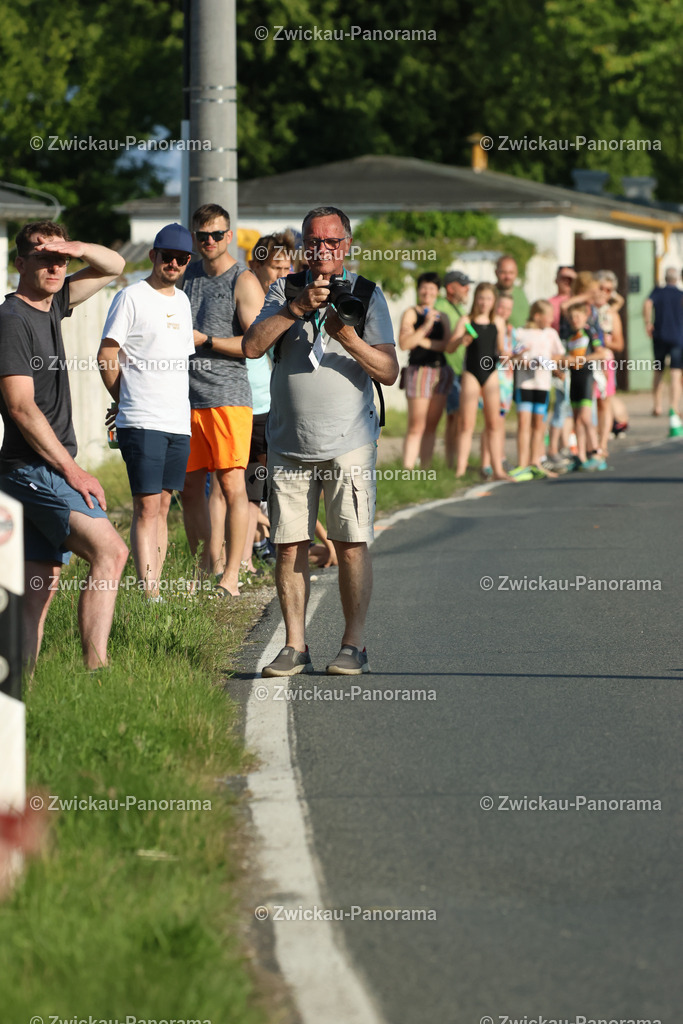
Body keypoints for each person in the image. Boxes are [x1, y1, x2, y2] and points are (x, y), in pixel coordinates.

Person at [242, 205, 398, 676]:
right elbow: (252, 346)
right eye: (314, 241)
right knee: (289, 543)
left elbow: (389, 371)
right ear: (303, 245)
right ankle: (295, 645)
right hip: (289, 440)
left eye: (332, 241)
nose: (323, 249)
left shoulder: (368, 295)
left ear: (347, 245)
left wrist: (348, 338)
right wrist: (296, 309)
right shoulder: (282, 288)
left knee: (350, 541)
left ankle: (354, 645)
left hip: (349, 439)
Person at [0, 221, 128, 672]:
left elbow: (114, 265)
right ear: (19, 264)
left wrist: (70, 246)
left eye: (61, 260)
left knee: (41, 583)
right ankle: (97, 671)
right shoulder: (12, 320)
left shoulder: (52, 304)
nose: (55, 266)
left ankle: (19, 689)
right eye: (42, 256)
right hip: (33, 467)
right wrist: (74, 471)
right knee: (111, 551)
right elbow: (20, 407)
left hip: (39, 467)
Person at [98, 223, 195, 600]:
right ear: (153, 255)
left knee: (165, 504)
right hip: (141, 419)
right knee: (146, 505)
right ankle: (149, 594)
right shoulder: (131, 297)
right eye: (166, 255)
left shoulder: (183, 302)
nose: (173, 263)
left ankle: (157, 590)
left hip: (177, 419)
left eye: (181, 258)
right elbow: (106, 355)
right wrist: (125, 400)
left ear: (188, 262)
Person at [181, 204, 265, 597]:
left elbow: (256, 344)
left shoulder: (243, 280)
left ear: (229, 236)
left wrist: (208, 341)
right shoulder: (186, 274)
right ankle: (204, 568)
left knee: (232, 485)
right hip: (185, 396)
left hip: (228, 397)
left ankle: (232, 574)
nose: (209, 242)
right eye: (202, 236)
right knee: (190, 487)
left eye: (216, 235)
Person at [451, 283, 509, 480]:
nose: (484, 303)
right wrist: (461, 340)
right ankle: (460, 469)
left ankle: (498, 469)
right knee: (467, 424)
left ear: (494, 301)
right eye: (481, 298)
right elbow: (450, 347)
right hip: (471, 374)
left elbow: (500, 348)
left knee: (494, 424)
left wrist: (506, 354)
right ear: (476, 299)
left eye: (489, 299)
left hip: (491, 373)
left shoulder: (498, 322)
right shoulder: (466, 320)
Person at [398, 272, 453, 469]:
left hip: (440, 371)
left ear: (438, 292)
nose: (428, 291)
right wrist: (426, 326)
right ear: (418, 289)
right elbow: (405, 343)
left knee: (431, 425)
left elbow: (446, 345)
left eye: (432, 288)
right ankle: (408, 469)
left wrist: (420, 340)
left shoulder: (443, 316)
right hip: (419, 371)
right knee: (416, 425)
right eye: (424, 287)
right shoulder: (412, 313)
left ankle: (426, 469)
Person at [510, 300, 565, 478]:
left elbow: (559, 354)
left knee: (539, 424)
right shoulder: (521, 333)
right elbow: (514, 355)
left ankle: (535, 462)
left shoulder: (550, 334)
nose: (551, 319)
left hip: (542, 384)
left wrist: (549, 362)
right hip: (525, 383)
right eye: (548, 316)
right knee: (524, 423)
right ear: (537, 316)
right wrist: (522, 359)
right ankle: (522, 463)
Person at [435, 271, 473, 468]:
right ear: (451, 287)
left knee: (457, 417)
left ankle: (455, 462)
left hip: (460, 370)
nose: (468, 289)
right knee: (452, 416)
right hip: (446, 368)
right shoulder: (440, 307)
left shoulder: (458, 308)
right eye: (464, 284)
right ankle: (450, 463)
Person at [565, 302, 609, 469]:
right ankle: (581, 455)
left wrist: (582, 360)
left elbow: (601, 353)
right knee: (576, 418)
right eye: (572, 317)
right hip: (573, 377)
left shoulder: (590, 332)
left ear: (585, 317)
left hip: (586, 376)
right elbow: (567, 356)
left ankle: (597, 452)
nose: (575, 320)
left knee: (585, 416)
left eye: (578, 316)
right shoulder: (569, 335)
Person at [643, 267, 683, 432]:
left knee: (658, 370)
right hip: (677, 338)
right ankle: (673, 406)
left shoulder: (657, 292)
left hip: (660, 336)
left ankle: (657, 405)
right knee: (675, 372)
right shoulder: (680, 294)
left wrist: (648, 323)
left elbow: (647, 303)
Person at [479, 294, 514, 479]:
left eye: (508, 309)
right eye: (501, 307)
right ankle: (487, 463)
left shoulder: (509, 329)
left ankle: (498, 458)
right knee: (491, 421)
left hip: (506, 380)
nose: (504, 312)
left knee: (499, 421)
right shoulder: (490, 325)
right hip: (492, 376)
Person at [495, 255, 529, 328]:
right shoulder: (490, 293)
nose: (508, 277)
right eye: (503, 272)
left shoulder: (521, 294)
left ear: (516, 273)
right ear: (496, 272)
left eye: (511, 273)